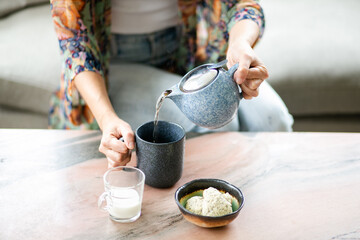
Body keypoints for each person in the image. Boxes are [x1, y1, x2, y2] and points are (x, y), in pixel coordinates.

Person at [49, 0, 293, 168]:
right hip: (109, 66)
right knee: (215, 126)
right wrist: (106, 118)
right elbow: (75, 44)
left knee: (272, 118)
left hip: (184, 54)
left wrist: (240, 43)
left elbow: (242, 4)